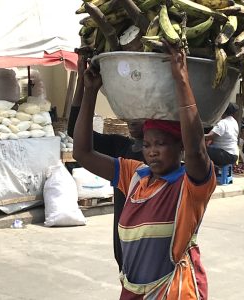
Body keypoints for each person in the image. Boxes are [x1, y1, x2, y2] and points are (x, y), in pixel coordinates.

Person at [73, 43, 216, 299]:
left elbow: (196, 151)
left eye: (161, 144)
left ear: (179, 146)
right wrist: (90, 91)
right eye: (148, 144)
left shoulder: (190, 186)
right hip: (133, 290)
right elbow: (82, 153)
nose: (152, 151)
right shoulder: (136, 175)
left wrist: (181, 78)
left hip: (174, 289)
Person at [67, 55, 144, 272]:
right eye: (130, 114)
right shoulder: (122, 149)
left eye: (140, 114)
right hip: (124, 252)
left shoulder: (166, 156)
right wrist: (85, 85)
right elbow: (75, 132)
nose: (132, 120)